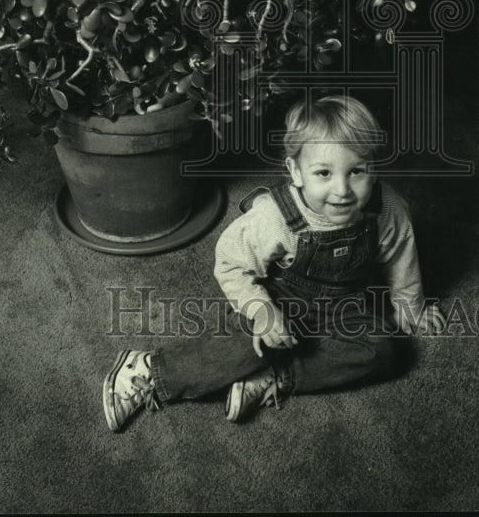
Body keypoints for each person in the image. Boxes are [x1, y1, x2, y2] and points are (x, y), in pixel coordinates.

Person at [102, 94, 446, 432]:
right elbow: (230, 264)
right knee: (250, 344)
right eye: (323, 173)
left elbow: (402, 257)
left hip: (347, 304)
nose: (342, 189)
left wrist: (409, 307)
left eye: (356, 171)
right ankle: (148, 368)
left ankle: (275, 378)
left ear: (374, 168)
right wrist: (262, 311)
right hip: (282, 299)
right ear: (295, 171)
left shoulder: (389, 210)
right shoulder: (275, 217)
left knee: (383, 350)